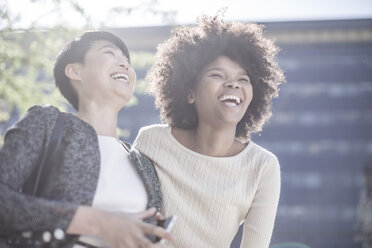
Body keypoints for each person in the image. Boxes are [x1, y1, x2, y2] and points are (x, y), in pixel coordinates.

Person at [0, 31, 174, 248]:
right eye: (110, 53)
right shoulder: (47, 123)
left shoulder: (143, 162)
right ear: (74, 71)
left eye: (127, 61)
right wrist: (97, 222)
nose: (124, 65)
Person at [133, 15, 285, 248]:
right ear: (189, 92)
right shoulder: (151, 140)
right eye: (217, 75)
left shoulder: (263, 167)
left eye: (243, 79)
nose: (233, 84)